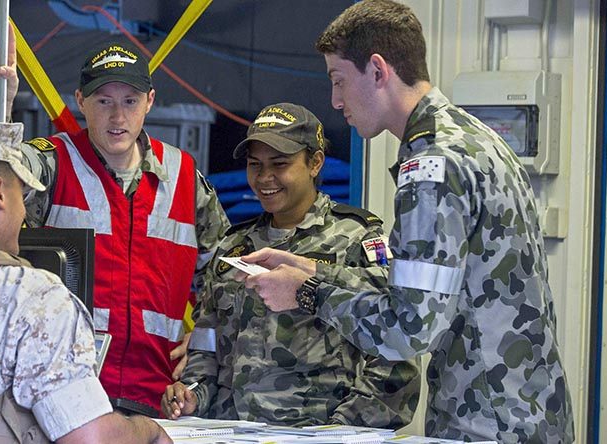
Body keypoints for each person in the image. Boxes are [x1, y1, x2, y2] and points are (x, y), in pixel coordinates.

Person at [235, 1, 575, 442]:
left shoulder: (429, 165)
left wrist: (308, 294)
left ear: (377, 70)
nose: (336, 101)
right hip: (528, 409)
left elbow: (409, 328)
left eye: (339, 81)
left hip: (487, 420)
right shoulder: (475, 137)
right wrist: (314, 269)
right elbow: (428, 288)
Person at [0, 36, 230, 414]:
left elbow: (226, 280)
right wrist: (4, 108)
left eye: (130, 101)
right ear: (80, 101)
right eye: (104, 101)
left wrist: (205, 344)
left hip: (162, 400)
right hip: (66, 398)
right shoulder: (54, 162)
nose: (118, 117)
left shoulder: (184, 177)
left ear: (150, 102)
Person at [159, 103, 420, 427]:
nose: (265, 178)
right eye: (255, 165)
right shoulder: (233, 246)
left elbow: (396, 356)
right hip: (232, 433)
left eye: (280, 164)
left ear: (315, 163)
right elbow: (206, 350)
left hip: (318, 435)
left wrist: (339, 430)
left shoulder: (356, 241)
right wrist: (191, 396)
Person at [0, 120, 171, 443]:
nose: (24, 210)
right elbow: (89, 439)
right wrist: (147, 429)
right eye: (21, 193)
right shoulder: (30, 295)